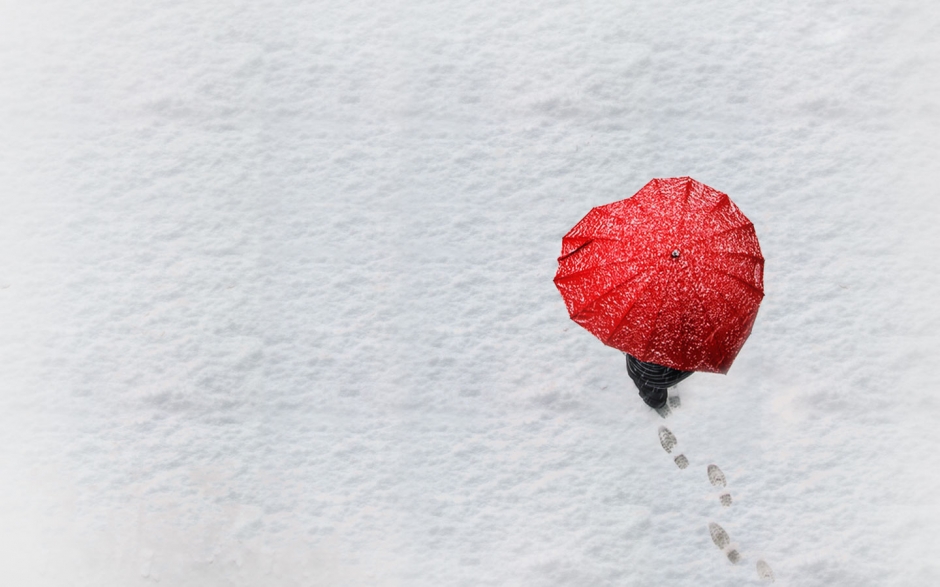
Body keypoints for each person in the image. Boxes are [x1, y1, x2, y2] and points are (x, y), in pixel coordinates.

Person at [625, 353, 693, 409]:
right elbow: (690, 366)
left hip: (634, 362)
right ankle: (656, 401)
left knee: (652, 394)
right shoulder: (662, 377)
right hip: (655, 375)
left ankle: (656, 401)